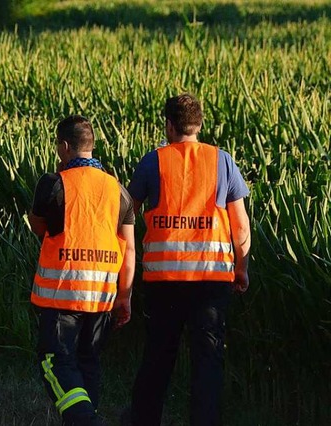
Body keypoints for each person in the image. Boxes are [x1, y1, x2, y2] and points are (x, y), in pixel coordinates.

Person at [126, 93, 251, 426]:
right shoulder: (223, 161)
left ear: (169, 125)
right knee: (208, 362)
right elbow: (240, 223)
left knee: (158, 357)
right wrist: (242, 268)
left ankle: (142, 421)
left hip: (164, 284)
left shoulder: (153, 161)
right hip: (211, 282)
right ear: (199, 124)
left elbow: (126, 213)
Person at [29, 115, 136, 426]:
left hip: (62, 293)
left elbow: (38, 227)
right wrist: (125, 296)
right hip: (103, 296)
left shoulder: (53, 184)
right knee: (88, 361)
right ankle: (88, 418)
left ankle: (86, 421)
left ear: (64, 147)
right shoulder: (118, 190)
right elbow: (129, 249)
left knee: (54, 362)